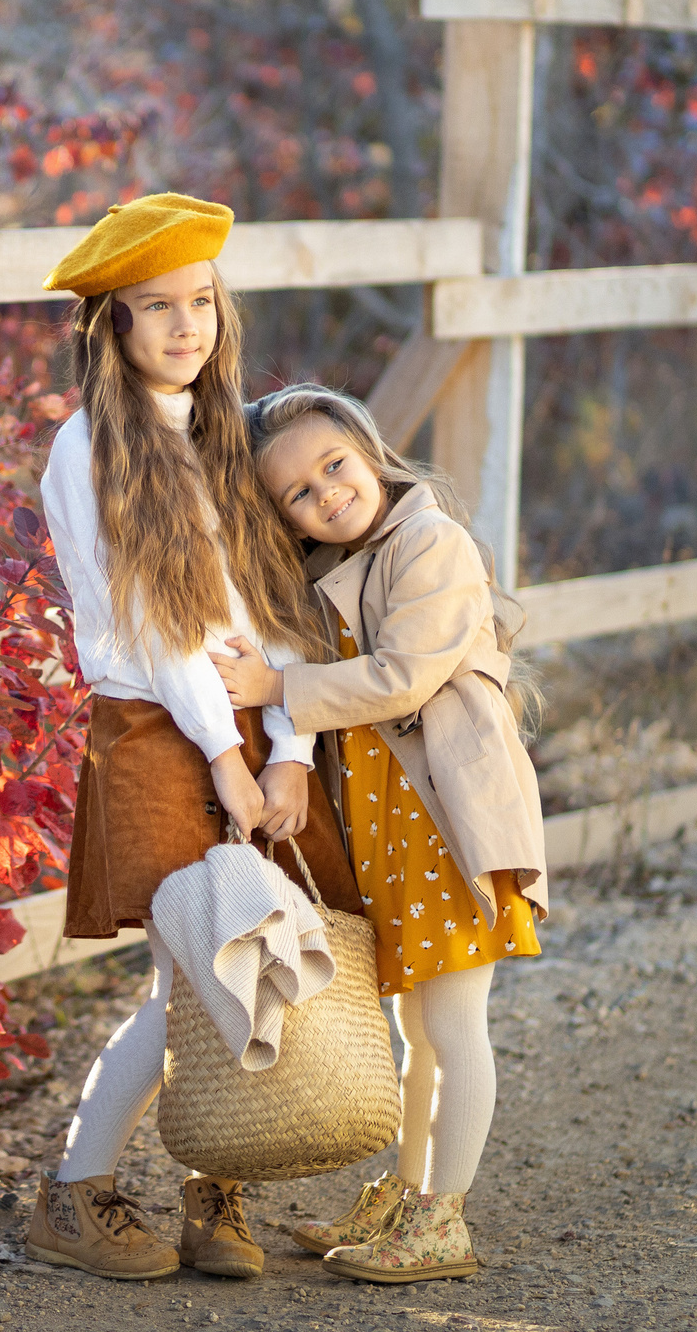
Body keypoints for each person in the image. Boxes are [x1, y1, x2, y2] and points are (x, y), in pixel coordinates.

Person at [25, 195, 359, 1283]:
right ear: (110, 326)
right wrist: (226, 755)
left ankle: (219, 1194)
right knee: (191, 975)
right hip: (158, 734)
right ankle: (74, 1193)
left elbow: (275, 609)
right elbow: (157, 625)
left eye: (201, 302)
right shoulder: (90, 447)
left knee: (245, 964)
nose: (185, 326)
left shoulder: (230, 433)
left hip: (256, 738)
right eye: (155, 307)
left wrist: (290, 751)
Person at [209, 382, 548, 1284]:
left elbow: (401, 676)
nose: (326, 492)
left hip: (449, 816)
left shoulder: (429, 542)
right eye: (299, 493)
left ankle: (446, 1217)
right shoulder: (335, 565)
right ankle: (408, 1192)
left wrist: (277, 690)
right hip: (397, 823)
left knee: (454, 1018)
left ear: (370, 451)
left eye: (334, 465)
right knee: (416, 1026)